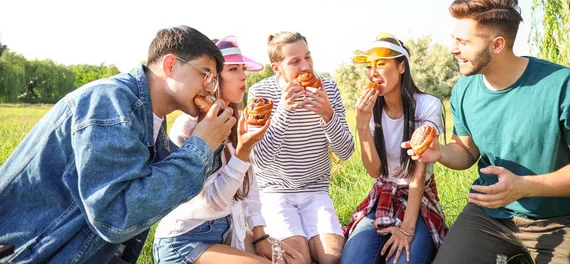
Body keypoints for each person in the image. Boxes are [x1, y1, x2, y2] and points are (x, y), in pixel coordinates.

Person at [0, 26, 235, 263]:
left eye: (214, 80)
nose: (210, 87)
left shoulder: (150, 117)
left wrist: (211, 145)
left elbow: (161, 191)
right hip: (34, 253)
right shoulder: (109, 101)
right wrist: (200, 146)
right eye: (205, 75)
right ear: (170, 66)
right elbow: (116, 216)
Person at [404, 0, 570, 263]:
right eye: (454, 39)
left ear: (497, 44)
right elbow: (465, 150)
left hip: (560, 218)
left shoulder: (565, 86)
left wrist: (525, 186)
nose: (453, 49)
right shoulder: (464, 89)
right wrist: (439, 152)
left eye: (463, 42)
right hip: (488, 214)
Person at [153, 35, 300, 264]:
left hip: (226, 230)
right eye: (233, 69)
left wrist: (260, 235)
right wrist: (242, 152)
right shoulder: (191, 127)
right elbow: (212, 203)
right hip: (186, 238)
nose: (243, 75)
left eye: (243, 69)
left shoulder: (236, 119)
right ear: (212, 78)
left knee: (295, 260)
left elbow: (250, 184)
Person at [339, 33, 448, 264]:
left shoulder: (427, 105)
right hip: (383, 195)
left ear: (401, 67)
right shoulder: (370, 110)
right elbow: (374, 171)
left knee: (404, 258)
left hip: (418, 200)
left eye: (381, 64)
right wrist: (361, 123)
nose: (373, 72)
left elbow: (418, 175)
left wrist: (407, 229)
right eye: (369, 66)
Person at [247, 31, 355, 264]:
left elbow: (345, 151)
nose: (306, 66)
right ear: (277, 68)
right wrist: (284, 111)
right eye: (295, 61)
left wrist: (328, 114)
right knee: (298, 259)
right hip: (275, 192)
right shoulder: (261, 94)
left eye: (308, 57)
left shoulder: (328, 88)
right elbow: (261, 161)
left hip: (316, 190)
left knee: (332, 258)